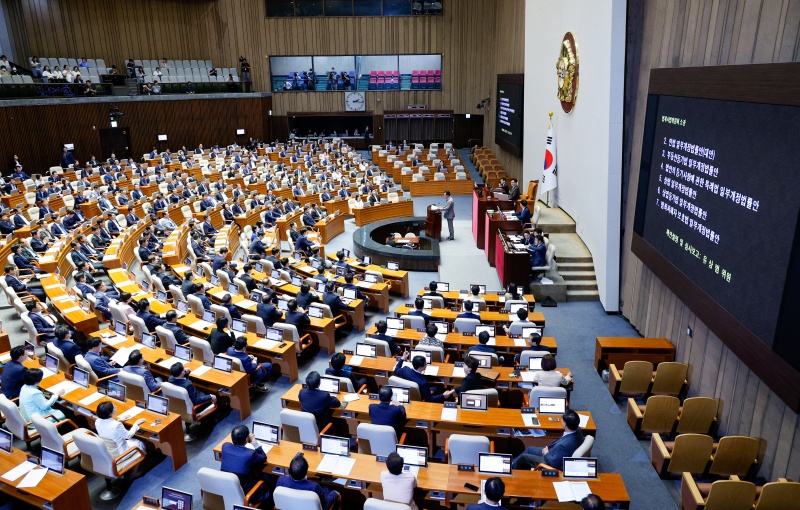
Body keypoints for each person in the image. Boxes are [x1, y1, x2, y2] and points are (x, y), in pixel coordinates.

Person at [511, 410, 583, 470]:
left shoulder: (564, 445)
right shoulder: (577, 430)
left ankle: (510, 468)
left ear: (565, 424)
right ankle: (512, 463)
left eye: (562, 418)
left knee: (524, 458)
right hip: (553, 452)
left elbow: (553, 463)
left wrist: (546, 453)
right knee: (530, 449)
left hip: (550, 461)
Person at [221, 425, 270, 504]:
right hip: (248, 495)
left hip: (227, 490)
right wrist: (255, 443)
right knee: (268, 476)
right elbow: (263, 457)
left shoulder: (225, 447)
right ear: (246, 439)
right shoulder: (250, 454)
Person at [276, 453, 340, 510]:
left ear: (290, 470)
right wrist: (334, 494)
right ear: (306, 472)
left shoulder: (281, 480)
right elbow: (325, 506)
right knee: (328, 489)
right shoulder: (314, 487)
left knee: (326, 488)